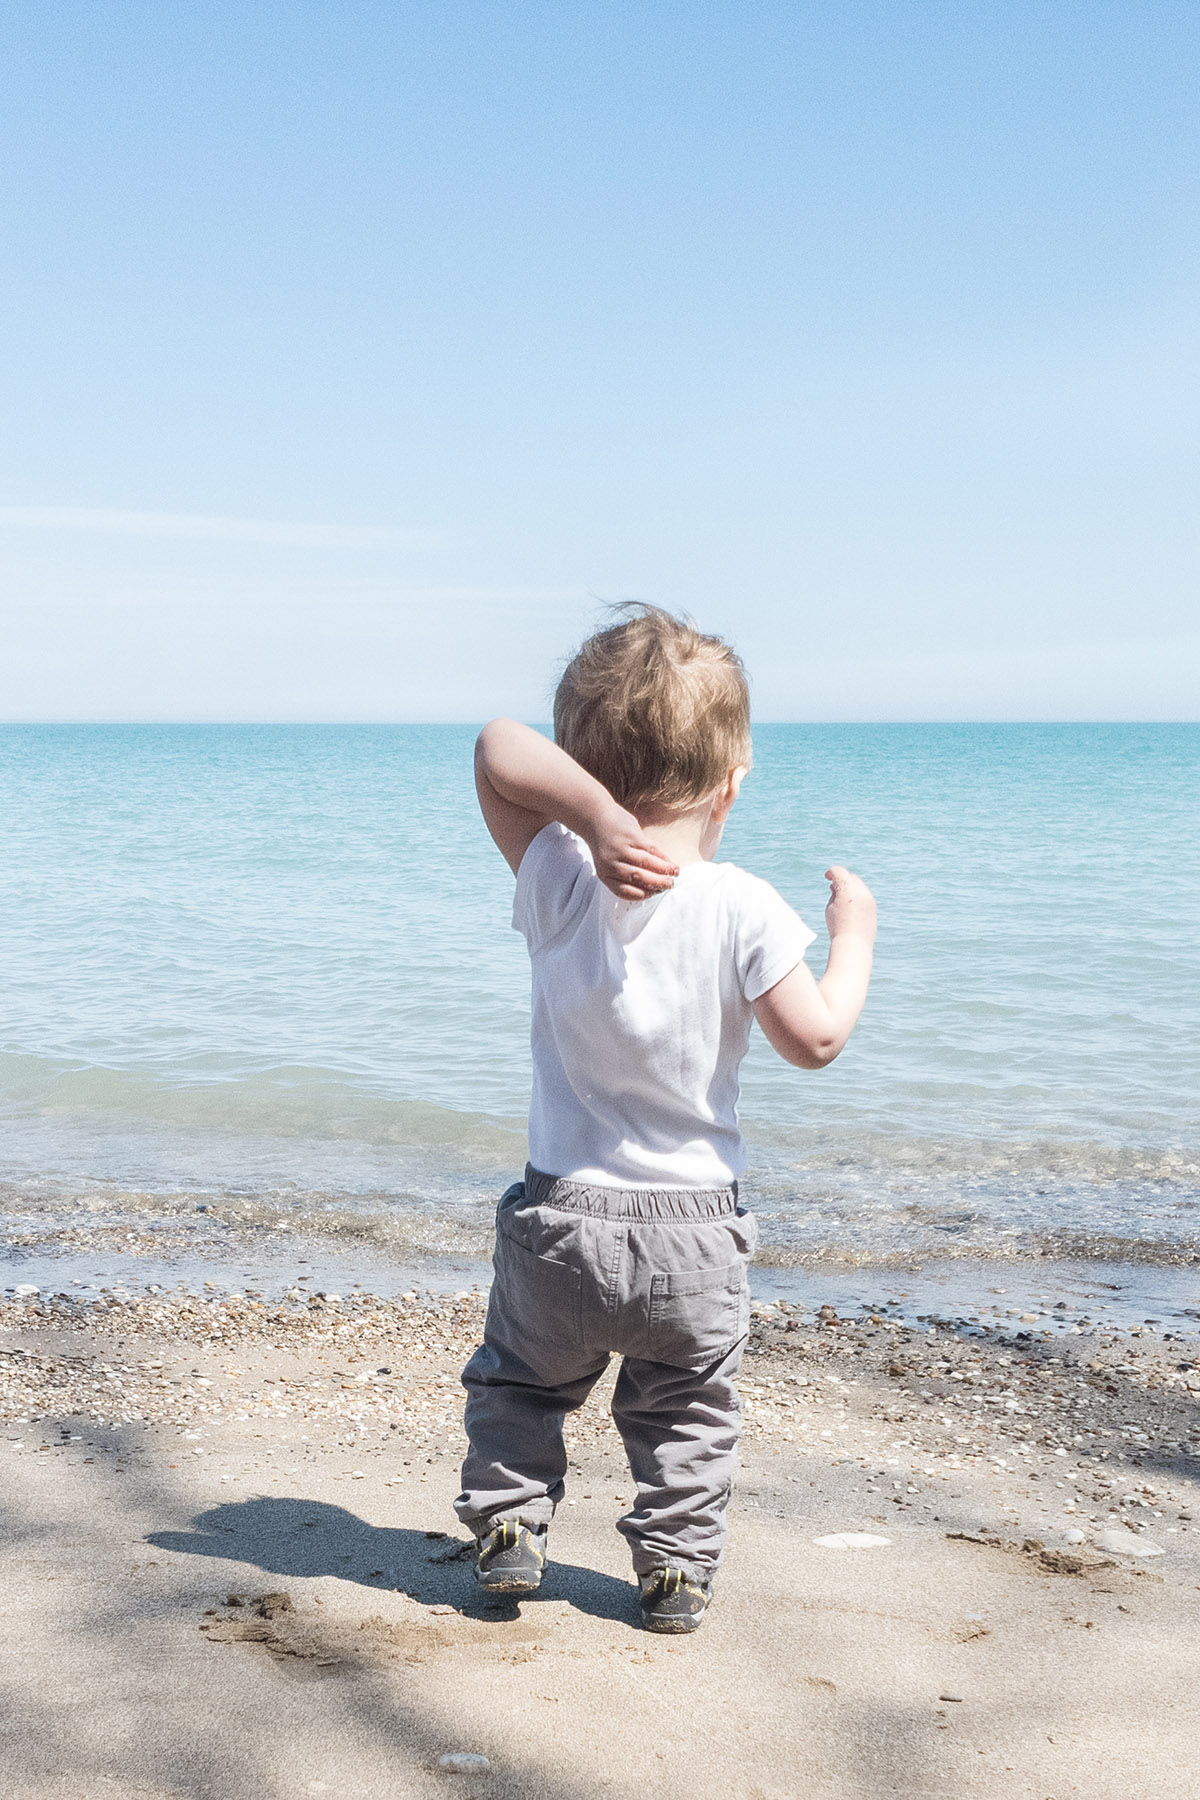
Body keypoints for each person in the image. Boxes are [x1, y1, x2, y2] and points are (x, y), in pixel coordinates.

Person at [454, 605, 876, 1632]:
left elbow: (495, 750)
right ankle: (675, 1570)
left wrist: (591, 822)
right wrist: (853, 936)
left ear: (580, 765)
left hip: (561, 1221)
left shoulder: (559, 872)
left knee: (520, 1384)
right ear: (733, 784)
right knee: (687, 1413)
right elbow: (816, 1040)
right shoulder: (746, 907)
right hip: (694, 1234)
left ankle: (511, 1525)